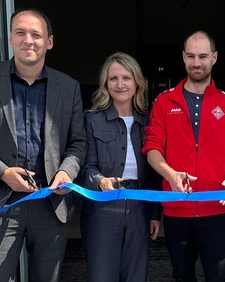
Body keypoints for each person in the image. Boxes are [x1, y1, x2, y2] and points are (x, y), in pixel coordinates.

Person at [0, 8, 87, 282]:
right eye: (21, 33)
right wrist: (2, 172)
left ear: (49, 41)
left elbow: (78, 143)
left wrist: (66, 172)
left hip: (50, 203)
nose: (29, 40)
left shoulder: (68, 87)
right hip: (2, 203)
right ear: (11, 38)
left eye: (36, 35)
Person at [142, 30, 225, 282]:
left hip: (217, 210)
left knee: (218, 276)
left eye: (203, 56)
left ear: (215, 58)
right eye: (191, 56)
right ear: (183, 58)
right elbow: (152, 149)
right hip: (177, 211)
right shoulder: (164, 102)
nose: (197, 62)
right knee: (181, 276)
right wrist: (170, 174)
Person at [78, 52, 162, 282]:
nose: (120, 84)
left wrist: (155, 214)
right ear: (105, 83)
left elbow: (156, 172)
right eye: (113, 78)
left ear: (137, 82)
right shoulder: (92, 120)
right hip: (102, 207)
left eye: (126, 77)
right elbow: (85, 167)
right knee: (102, 275)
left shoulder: (149, 121)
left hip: (140, 207)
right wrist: (100, 181)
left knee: (136, 275)